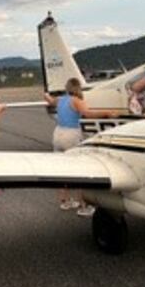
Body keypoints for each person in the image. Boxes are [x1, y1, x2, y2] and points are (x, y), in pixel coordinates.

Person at [44, 77, 118, 216]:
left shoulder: (60, 100)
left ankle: (65, 202)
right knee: (78, 171)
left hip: (58, 133)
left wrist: (46, 95)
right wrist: (107, 113)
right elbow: (88, 114)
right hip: (71, 134)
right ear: (77, 88)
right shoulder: (76, 101)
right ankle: (84, 206)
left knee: (61, 170)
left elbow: (49, 100)